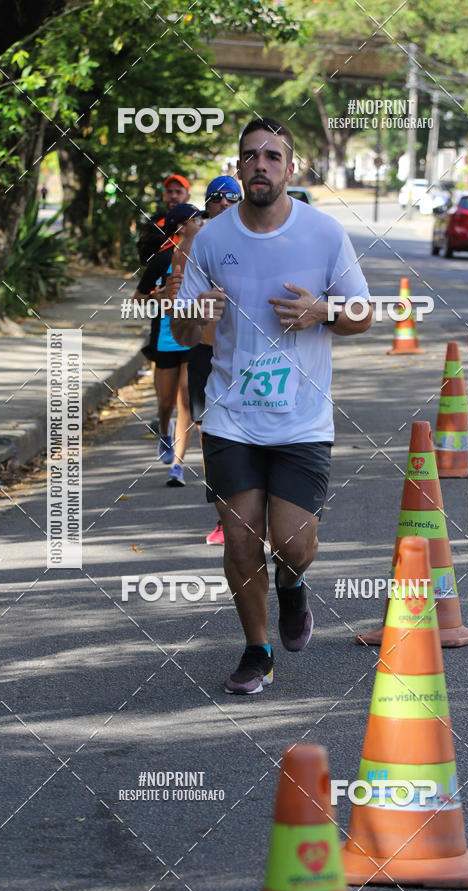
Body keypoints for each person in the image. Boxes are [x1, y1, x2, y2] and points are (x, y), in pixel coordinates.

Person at [169, 117, 371, 694]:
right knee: (239, 539)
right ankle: (257, 650)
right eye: (251, 155)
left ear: (290, 167)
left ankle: (291, 583)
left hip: (302, 419)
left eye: (273, 156)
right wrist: (194, 317)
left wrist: (322, 312)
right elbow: (181, 333)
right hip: (231, 414)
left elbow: (363, 313)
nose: (261, 164)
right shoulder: (212, 239)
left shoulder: (323, 233)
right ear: (238, 168)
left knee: (293, 543)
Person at [186, 175, 242, 545]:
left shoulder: (255, 238)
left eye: (232, 197)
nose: (224, 203)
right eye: (217, 198)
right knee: (210, 434)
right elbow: (178, 301)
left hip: (244, 352)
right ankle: (224, 516)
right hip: (205, 350)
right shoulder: (197, 243)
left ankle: (256, 510)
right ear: (207, 205)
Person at [133, 203, 203, 486]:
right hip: (165, 339)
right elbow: (137, 300)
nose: (201, 224)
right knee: (166, 403)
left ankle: (178, 465)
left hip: (192, 338)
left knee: (186, 399)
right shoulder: (162, 260)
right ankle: (165, 432)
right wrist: (158, 297)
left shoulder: (204, 259)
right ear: (182, 227)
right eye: (196, 220)